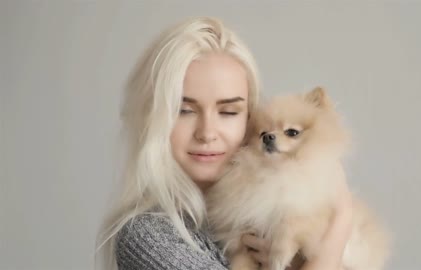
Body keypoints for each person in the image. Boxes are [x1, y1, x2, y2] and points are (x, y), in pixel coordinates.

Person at [96, 17, 353, 270]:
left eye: (229, 112)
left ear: (250, 119)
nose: (207, 133)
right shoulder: (148, 237)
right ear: (154, 120)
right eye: (184, 110)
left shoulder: (269, 210)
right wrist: (339, 226)